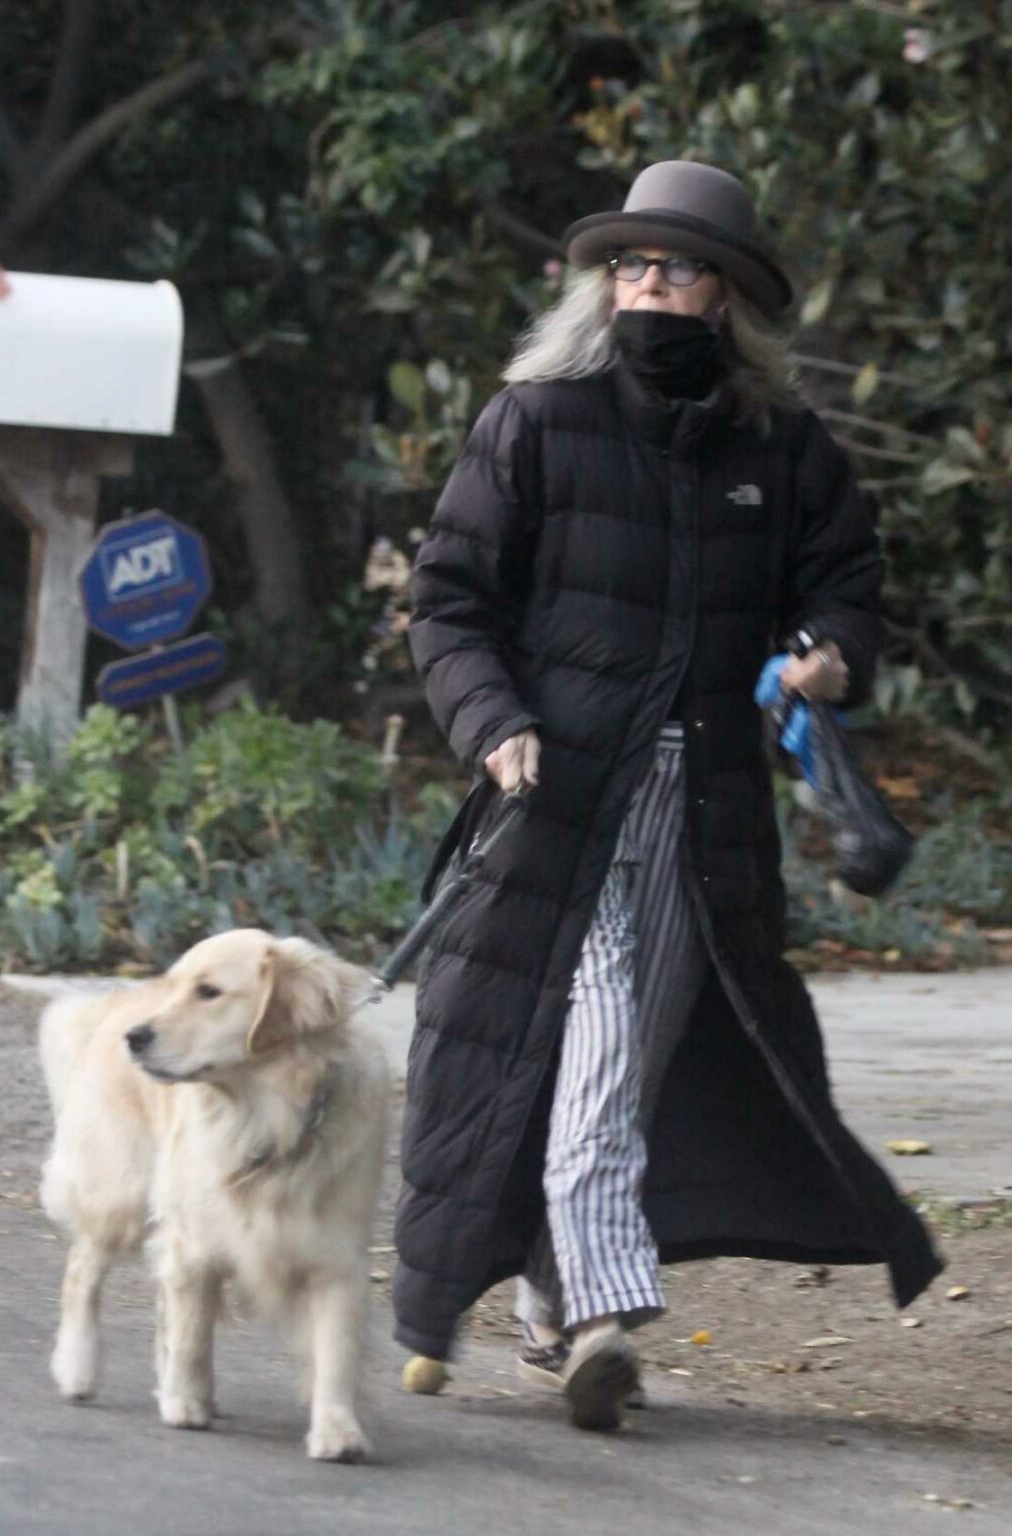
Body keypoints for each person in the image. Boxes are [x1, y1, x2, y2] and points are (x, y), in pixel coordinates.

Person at [393, 160, 942, 1431]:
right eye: (632, 267)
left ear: (725, 299)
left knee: (630, 1070)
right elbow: (449, 602)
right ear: (604, 288)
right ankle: (596, 1315)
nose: (650, 286)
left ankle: (546, 1298)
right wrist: (494, 726)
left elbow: (846, 582)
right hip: (556, 807)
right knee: (591, 1055)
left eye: (677, 268)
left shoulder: (784, 448)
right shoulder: (534, 422)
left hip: (706, 821)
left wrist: (827, 650)